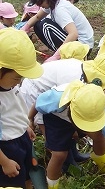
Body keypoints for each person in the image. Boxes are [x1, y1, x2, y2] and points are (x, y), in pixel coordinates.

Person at [35, 80, 105, 189]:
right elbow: (37, 105)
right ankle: (53, 185)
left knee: (99, 136)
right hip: (56, 120)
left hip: (71, 116)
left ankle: (103, 165)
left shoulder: (98, 108)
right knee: (59, 155)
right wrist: (31, 120)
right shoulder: (55, 99)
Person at [0, 28, 43, 188]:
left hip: (21, 138)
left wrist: (24, 125)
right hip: (6, 147)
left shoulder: (9, 85)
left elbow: (15, 109)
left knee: (28, 170)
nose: (19, 82)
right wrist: (4, 162)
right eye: (17, 77)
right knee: (13, 178)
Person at [21, 0, 94, 59]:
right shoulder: (53, 2)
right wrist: (24, 29)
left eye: (38, 2)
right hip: (80, 44)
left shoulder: (60, 9)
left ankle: (64, 56)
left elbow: (73, 34)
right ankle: (61, 53)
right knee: (38, 25)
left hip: (83, 48)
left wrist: (55, 57)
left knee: (46, 25)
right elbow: (37, 17)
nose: (38, 5)